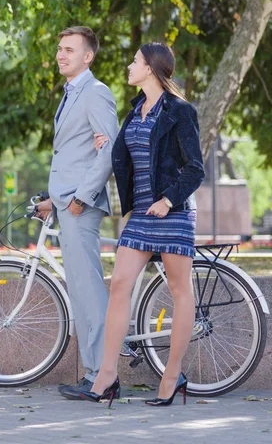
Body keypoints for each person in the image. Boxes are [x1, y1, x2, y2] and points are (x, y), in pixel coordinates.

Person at [78, 42, 205, 407]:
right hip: (142, 214)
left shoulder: (180, 111)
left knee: (180, 291)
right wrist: (109, 144)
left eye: (134, 61)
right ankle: (106, 376)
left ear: (150, 68)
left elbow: (195, 168)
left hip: (173, 211)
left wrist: (168, 200)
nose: (128, 66)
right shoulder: (135, 112)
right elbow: (128, 154)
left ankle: (171, 377)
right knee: (119, 283)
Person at [36, 26, 119, 400]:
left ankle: (105, 377)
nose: (60, 54)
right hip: (67, 204)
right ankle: (93, 372)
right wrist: (55, 200)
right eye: (59, 48)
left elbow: (108, 151)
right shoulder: (70, 94)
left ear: (88, 57)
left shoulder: (96, 93)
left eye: (69, 49)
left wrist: (80, 199)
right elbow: (76, 155)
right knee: (82, 293)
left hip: (81, 208)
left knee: (89, 290)